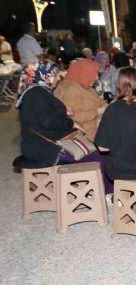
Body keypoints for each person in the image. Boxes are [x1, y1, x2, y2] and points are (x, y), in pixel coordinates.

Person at [13, 61, 111, 193]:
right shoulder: (38, 94)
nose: (57, 78)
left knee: (98, 153)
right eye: (54, 75)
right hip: (46, 149)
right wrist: (72, 123)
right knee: (100, 156)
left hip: (39, 145)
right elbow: (49, 122)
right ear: (44, 76)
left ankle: (94, 190)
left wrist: (63, 111)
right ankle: (104, 193)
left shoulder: (36, 91)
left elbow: (44, 115)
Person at [53, 59, 107, 142]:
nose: (97, 78)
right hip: (87, 138)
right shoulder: (69, 89)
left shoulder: (84, 85)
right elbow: (72, 117)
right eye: (94, 74)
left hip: (99, 131)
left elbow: (101, 103)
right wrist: (98, 111)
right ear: (84, 73)